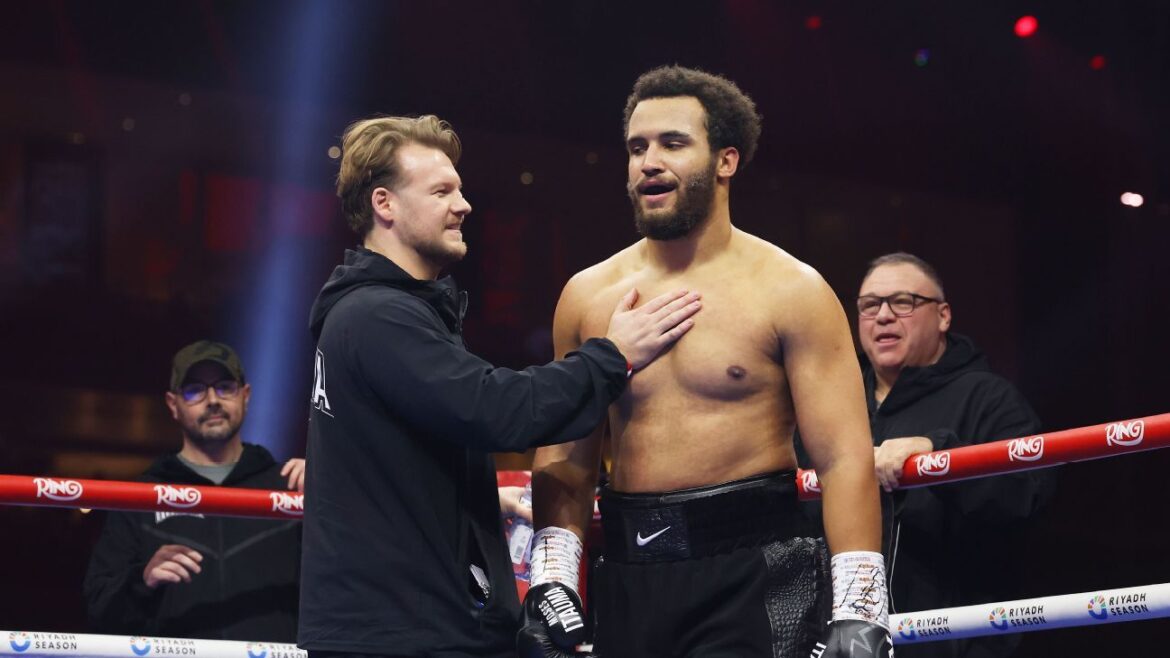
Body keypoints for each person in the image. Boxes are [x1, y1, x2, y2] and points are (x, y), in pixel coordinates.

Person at [297, 114, 701, 658]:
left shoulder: (380, 312)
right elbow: (498, 409)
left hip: (396, 623)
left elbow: (396, 457)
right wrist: (613, 355)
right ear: (384, 204)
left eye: (459, 190)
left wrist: (481, 498)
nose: (463, 205)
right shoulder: (377, 315)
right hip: (402, 632)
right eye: (441, 191)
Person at [524, 66, 890, 658]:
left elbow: (844, 457)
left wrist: (861, 609)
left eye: (672, 143)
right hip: (630, 572)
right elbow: (568, 456)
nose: (648, 162)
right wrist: (552, 579)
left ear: (726, 161)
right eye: (637, 148)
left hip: (754, 571)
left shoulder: (791, 290)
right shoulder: (588, 296)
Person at [797, 253, 1053, 658]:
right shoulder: (830, 403)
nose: (883, 316)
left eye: (903, 302)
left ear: (943, 316)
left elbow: (1029, 497)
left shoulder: (988, 398)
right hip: (844, 642)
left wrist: (941, 455)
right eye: (870, 305)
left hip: (954, 643)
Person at [83, 340, 305, 642]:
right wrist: (142, 580)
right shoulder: (141, 497)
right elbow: (98, 609)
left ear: (246, 395)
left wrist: (329, 490)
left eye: (225, 387)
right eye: (195, 390)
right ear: (173, 404)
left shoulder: (290, 487)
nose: (212, 400)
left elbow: (341, 586)